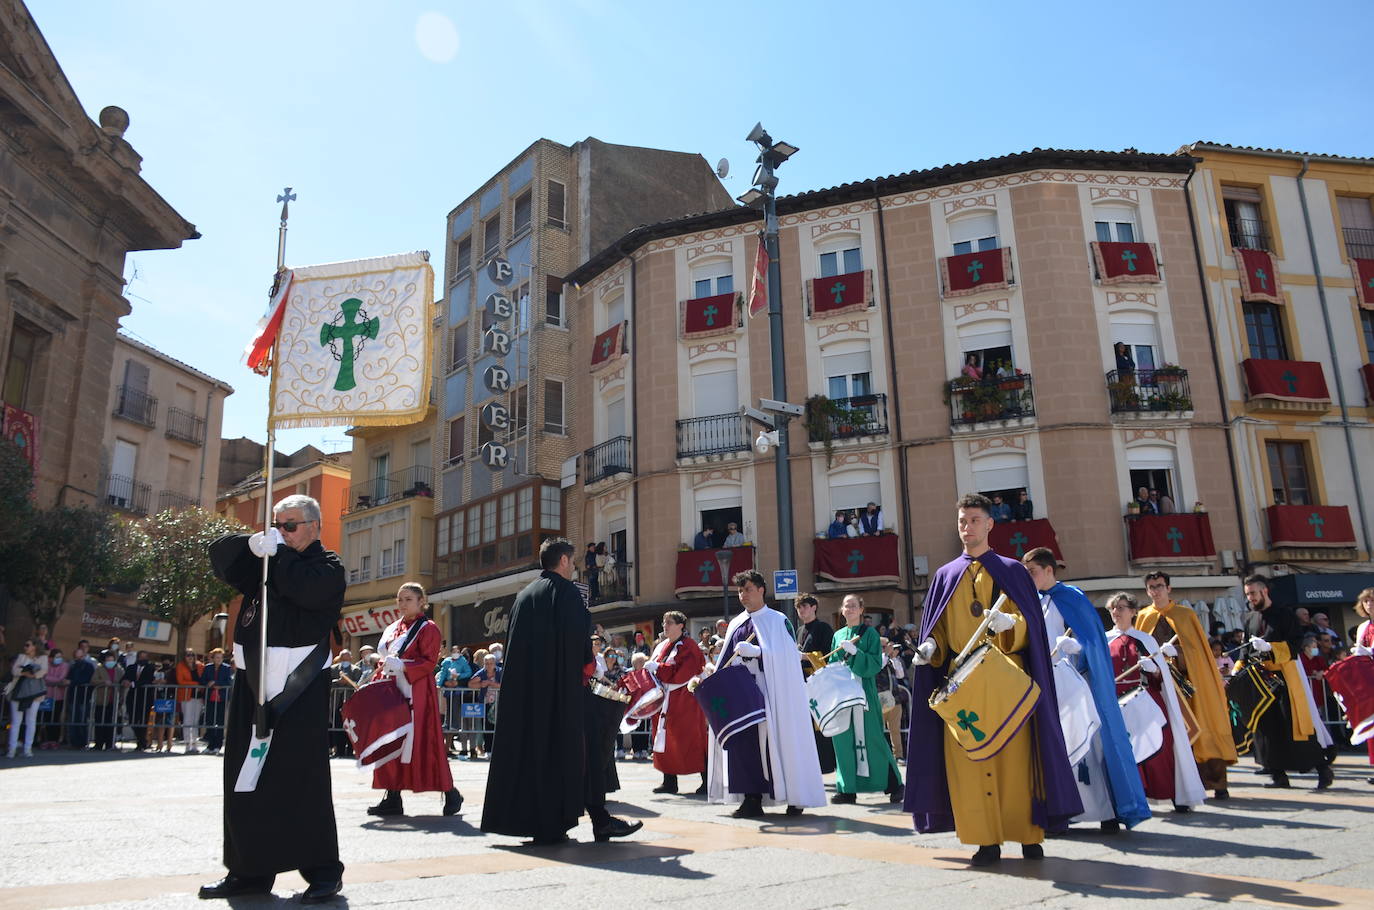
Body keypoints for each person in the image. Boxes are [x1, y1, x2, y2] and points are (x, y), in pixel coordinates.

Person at [903, 494, 1081, 867]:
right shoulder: (944, 576)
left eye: (973, 520)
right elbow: (937, 631)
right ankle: (986, 841)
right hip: (962, 682)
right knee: (969, 761)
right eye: (962, 521)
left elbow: (1031, 627)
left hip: (1005, 680)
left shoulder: (1013, 571)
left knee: (1016, 761)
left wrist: (1012, 626)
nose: (967, 527)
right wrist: (930, 648)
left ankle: (1029, 836)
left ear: (989, 525)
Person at [203, 494, 346, 902]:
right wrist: (251, 544)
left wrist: (277, 556)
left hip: (298, 686)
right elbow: (222, 558)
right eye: (277, 525)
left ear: (314, 527)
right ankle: (248, 870)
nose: (281, 533)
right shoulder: (266, 561)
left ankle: (322, 871)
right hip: (252, 680)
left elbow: (303, 589)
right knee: (243, 777)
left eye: (290, 525)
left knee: (302, 777)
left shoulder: (327, 567)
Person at [480, 538, 641, 845]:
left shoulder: (524, 596)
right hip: (564, 696)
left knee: (536, 756)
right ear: (564, 561)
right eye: (573, 561)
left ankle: (557, 822)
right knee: (588, 752)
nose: (575, 566)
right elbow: (581, 651)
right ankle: (599, 820)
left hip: (527, 699)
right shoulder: (568, 594)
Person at [1022, 549, 1150, 832]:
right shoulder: (1036, 603)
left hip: (1077, 683)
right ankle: (1064, 811)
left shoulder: (1072, 596)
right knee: (1060, 747)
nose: (1028, 577)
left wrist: (1077, 649)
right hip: (1051, 683)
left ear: (1048, 570)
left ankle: (1107, 812)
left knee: (1091, 745)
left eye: (1032, 571)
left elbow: (1092, 641)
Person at [706, 570, 826, 818]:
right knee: (744, 744)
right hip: (742, 694)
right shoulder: (737, 623)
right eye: (740, 591)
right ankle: (751, 798)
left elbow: (790, 657)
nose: (743, 595)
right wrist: (710, 680)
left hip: (770, 692)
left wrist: (761, 653)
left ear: (761, 589)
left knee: (779, 741)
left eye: (748, 589)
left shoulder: (777, 620)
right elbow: (726, 660)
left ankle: (795, 796)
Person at [1135, 571, 1236, 799]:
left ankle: (1216, 782)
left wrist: (1178, 653)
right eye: (1151, 587)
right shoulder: (1143, 616)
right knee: (1168, 734)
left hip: (1189, 684)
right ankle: (1174, 784)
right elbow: (1141, 650)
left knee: (1202, 725)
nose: (1156, 591)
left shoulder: (1185, 614)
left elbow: (1198, 652)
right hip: (1160, 684)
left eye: (1160, 586)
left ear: (1169, 588)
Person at [366, 583, 464, 818]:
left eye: (408, 599)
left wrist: (402, 665)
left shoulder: (428, 628)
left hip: (416, 691)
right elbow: (386, 659)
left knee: (423, 742)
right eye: (399, 599)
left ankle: (450, 792)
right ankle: (392, 797)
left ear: (422, 601)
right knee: (390, 742)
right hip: (391, 691)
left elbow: (429, 663)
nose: (402, 604)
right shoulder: (393, 628)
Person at [1105, 593, 1207, 811]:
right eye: (1113, 608)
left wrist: (1155, 670)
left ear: (1133, 612)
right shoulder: (1105, 640)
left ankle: (1172, 794)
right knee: (1126, 751)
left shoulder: (1146, 640)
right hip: (1118, 703)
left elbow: (1162, 680)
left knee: (1160, 747)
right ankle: (1132, 799)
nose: (1116, 612)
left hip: (1146, 701)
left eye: (1121, 607)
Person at [1241, 574, 1333, 790]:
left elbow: (1295, 644)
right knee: (1265, 726)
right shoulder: (1248, 618)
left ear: (1264, 591)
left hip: (1286, 674)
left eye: (1253, 593)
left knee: (1295, 723)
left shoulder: (1285, 614)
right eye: (1247, 594)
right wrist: (1238, 669)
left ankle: (1322, 768)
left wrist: (1271, 648)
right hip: (1261, 678)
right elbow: (1245, 648)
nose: (1250, 598)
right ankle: (1278, 775)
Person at [830, 594, 904, 805]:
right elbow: (833, 665)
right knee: (843, 740)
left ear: (862, 610)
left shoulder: (870, 633)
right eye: (846, 606)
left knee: (874, 738)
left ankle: (895, 785)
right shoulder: (837, 635)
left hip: (864, 694)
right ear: (842, 610)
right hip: (844, 695)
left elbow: (873, 664)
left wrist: (855, 653)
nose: (850, 609)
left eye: (854, 606)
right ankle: (847, 789)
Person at [645, 610, 709, 796]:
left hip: (684, 699)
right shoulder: (662, 645)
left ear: (681, 625)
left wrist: (659, 668)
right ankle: (669, 782)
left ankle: (706, 781)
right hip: (666, 699)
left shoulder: (689, 645)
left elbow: (684, 673)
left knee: (692, 739)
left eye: (669, 623)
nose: (665, 626)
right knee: (665, 740)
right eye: (664, 622)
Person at [794, 593, 836, 774]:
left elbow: (829, 655)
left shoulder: (823, 628)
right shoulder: (799, 631)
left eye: (805, 606)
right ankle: (813, 762)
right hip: (803, 682)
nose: (802, 610)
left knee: (821, 721)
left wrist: (805, 656)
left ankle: (827, 764)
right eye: (799, 608)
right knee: (806, 724)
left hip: (820, 681)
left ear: (814, 608)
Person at [6, 638, 48, 758]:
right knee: (16, 721)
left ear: (34, 646)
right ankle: (12, 749)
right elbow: (15, 670)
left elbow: (43, 670)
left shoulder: (42, 658)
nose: (25, 647)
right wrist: (25, 672)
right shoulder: (21, 656)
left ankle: (27, 749)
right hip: (18, 691)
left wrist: (33, 673)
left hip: (35, 692)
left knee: (31, 720)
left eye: (27, 645)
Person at [1352, 587, 1374, 782]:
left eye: (1372, 601)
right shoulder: (1362, 627)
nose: (1369, 605)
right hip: (1368, 679)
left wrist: (1369, 653)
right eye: (1366, 601)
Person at [468, 652, 502, 757]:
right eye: (486, 663)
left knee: (497, 727)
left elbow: (503, 685)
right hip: (486, 703)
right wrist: (480, 684)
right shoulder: (481, 673)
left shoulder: (500, 672)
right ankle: (488, 750)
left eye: (491, 663)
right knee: (486, 727)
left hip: (498, 703)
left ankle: (498, 750)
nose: (488, 665)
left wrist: (490, 683)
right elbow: (470, 684)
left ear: (494, 663)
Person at [201, 648, 233, 755]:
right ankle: (210, 745)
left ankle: (218, 745)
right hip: (210, 697)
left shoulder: (226, 668)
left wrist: (216, 682)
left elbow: (228, 681)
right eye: (217, 657)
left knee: (219, 721)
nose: (219, 659)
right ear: (213, 658)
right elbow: (203, 680)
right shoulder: (208, 668)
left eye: (220, 657)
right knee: (210, 720)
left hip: (221, 698)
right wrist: (208, 683)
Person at [172, 648, 204, 754]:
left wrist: (200, 686)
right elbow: (181, 681)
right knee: (187, 720)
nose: (190, 657)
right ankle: (187, 744)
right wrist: (196, 684)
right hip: (187, 696)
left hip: (198, 697)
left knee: (195, 721)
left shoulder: (200, 666)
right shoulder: (181, 666)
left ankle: (194, 744)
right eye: (188, 655)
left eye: (192, 655)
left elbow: (204, 679)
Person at [123, 650, 156, 751]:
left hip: (145, 698)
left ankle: (141, 743)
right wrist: (125, 681)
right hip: (132, 697)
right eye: (141, 657)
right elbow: (125, 678)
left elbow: (148, 680)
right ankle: (141, 740)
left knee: (143, 720)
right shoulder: (131, 668)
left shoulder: (150, 668)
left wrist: (133, 684)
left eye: (145, 657)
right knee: (133, 720)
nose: (143, 659)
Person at [66, 645, 95, 750]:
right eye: (76, 657)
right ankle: (74, 742)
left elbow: (87, 679)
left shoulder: (89, 666)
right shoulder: (72, 666)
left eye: (80, 657)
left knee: (82, 719)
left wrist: (72, 682)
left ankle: (83, 742)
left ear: (84, 656)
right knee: (73, 719)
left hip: (84, 696)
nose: (78, 659)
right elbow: (68, 678)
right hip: (73, 696)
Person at [90, 650, 120, 751]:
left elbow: (122, 681)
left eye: (112, 660)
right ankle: (98, 744)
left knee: (110, 723)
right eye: (108, 660)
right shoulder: (99, 669)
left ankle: (109, 744)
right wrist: (103, 682)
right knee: (99, 722)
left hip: (113, 700)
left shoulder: (119, 670)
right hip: (101, 699)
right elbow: (93, 680)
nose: (110, 661)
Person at [42, 647, 69, 748]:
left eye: (60, 657)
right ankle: (45, 740)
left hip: (59, 697)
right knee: (46, 718)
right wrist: (56, 681)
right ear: (51, 658)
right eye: (57, 657)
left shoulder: (65, 665)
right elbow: (44, 677)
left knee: (56, 718)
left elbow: (61, 678)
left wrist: (51, 680)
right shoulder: (46, 665)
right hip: (47, 696)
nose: (59, 659)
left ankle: (55, 740)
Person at [149, 658, 175, 753]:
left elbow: (175, 682)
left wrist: (166, 682)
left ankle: (169, 745)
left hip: (170, 697)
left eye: (168, 662)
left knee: (170, 722)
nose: (166, 663)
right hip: (160, 697)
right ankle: (159, 744)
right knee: (160, 721)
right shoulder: (158, 672)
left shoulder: (173, 671)